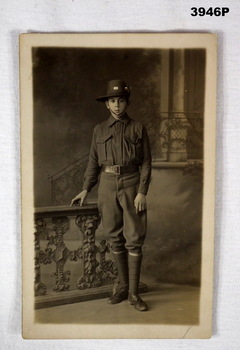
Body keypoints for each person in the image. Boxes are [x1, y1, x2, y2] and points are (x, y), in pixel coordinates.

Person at [71, 79, 151, 311]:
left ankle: (134, 294)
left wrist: (142, 192)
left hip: (131, 183)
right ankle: (123, 287)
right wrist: (86, 189)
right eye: (112, 101)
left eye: (121, 100)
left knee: (134, 237)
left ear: (127, 103)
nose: (117, 105)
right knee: (114, 236)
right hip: (106, 184)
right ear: (107, 104)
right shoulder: (99, 130)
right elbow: (93, 163)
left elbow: (146, 163)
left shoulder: (138, 128)